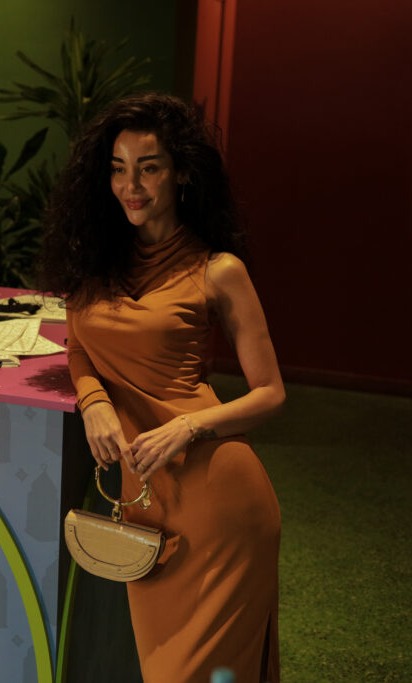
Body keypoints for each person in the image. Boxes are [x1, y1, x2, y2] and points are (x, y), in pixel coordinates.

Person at [41, 92, 285, 682]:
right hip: (147, 500)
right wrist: (94, 402)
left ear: (181, 173)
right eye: (118, 169)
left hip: (218, 500)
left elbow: (271, 393)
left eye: (148, 168)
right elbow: (79, 345)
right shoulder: (96, 261)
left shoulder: (218, 270)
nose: (131, 186)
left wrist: (188, 426)